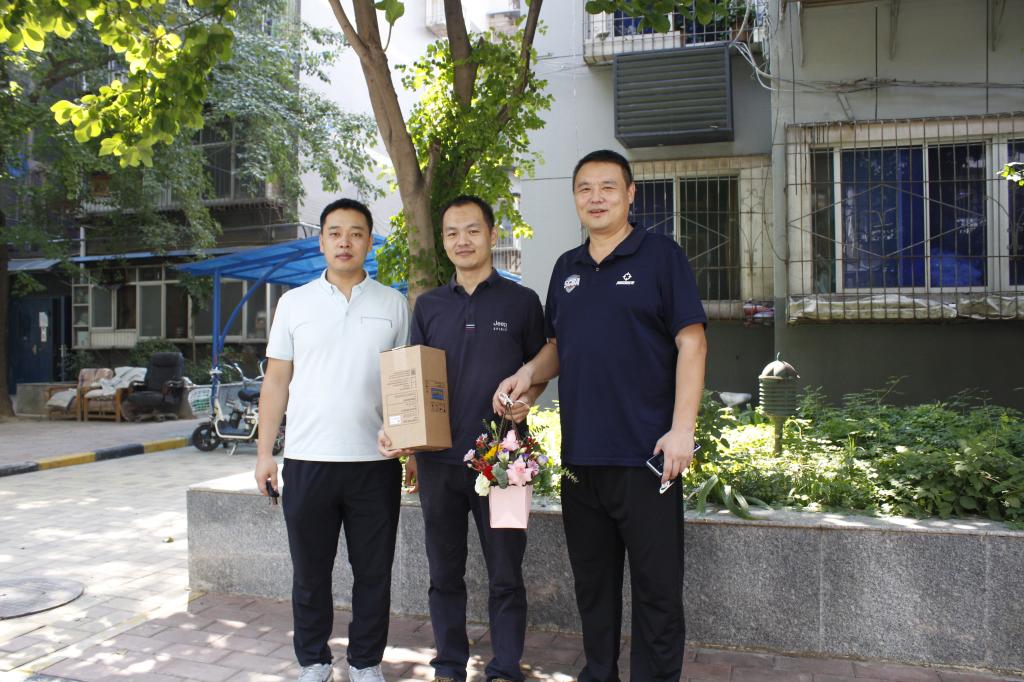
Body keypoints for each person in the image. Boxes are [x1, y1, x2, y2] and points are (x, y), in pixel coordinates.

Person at [495, 150, 708, 682]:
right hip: (582, 459)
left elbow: (693, 342)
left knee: (657, 591)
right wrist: (527, 375)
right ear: (574, 198)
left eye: (608, 187)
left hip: (648, 458)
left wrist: (683, 430)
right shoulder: (566, 268)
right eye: (584, 188)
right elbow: (559, 347)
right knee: (593, 588)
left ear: (631, 194)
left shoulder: (661, 257)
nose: (596, 198)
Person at [379, 195, 546, 682]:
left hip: (504, 461)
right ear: (444, 241)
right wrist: (408, 445)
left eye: (472, 230)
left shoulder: (521, 301)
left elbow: (539, 370)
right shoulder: (429, 305)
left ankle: (505, 667)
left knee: (506, 573)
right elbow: (414, 381)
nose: (462, 240)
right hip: (439, 462)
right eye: (452, 233)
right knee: (444, 573)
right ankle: (449, 665)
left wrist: (528, 397)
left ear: (492, 235)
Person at [255, 198, 411, 682]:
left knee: (374, 572)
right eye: (335, 232)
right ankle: (314, 661)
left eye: (356, 233)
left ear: (369, 242)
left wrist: (408, 445)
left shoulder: (393, 304)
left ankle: (365, 662)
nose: (345, 242)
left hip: (374, 463)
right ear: (321, 241)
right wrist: (264, 454)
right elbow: (276, 381)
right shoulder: (293, 303)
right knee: (309, 572)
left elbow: (403, 382)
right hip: (307, 460)